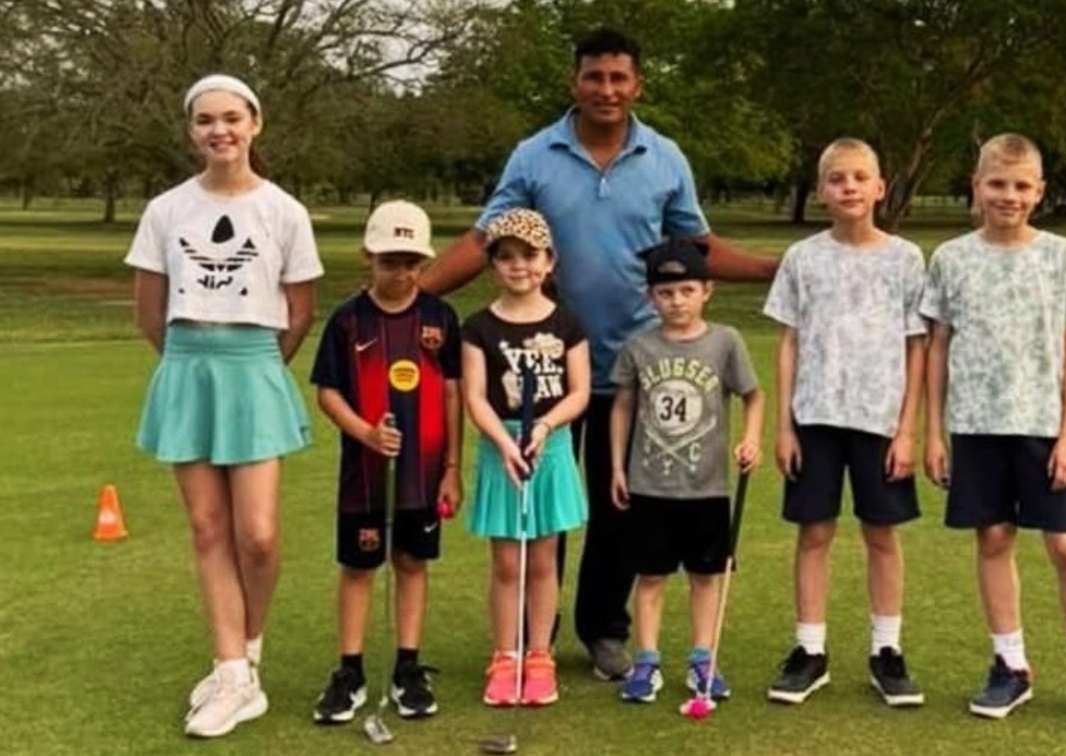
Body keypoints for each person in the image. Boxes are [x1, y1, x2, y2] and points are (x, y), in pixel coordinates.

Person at [419, 27, 777, 680]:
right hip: (544, 367)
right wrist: (412, 297)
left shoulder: (664, 157)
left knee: (619, 507)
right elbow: (484, 241)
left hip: (633, 364)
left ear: (637, 85)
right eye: (594, 76)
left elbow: (696, 249)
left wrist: (773, 270)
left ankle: (604, 630)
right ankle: (533, 638)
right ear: (575, 82)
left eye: (618, 78)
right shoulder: (535, 155)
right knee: (542, 503)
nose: (606, 89)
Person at [124, 74, 323, 738]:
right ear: (192, 131)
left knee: (258, 535)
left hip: (255, 368)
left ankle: (248, 653)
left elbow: (300, 311)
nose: (220, 130)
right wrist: (189, 366)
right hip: (187, 368)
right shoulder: (165, 210)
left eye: (232, 118)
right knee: (209, 529)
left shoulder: (285, 211)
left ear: (254, 124)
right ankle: (231, 669)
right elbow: (149, 311)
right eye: (206, 120)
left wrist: (257, 370)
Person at [920, 133, 1066, 727]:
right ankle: (1010, 666)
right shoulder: (951, 258)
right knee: (993, 540)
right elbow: (938, 348)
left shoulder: (1061, 256)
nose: (1008, 196)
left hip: (1043, 427)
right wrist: (933, 433)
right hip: (975, 427)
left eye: (1021, 186)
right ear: (976, 186)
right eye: (997, 184)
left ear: (1039, 191)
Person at [762, 138, 927, 707]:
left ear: (880, 187)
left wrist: (907, 430)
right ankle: (810, 651)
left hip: (880, 420)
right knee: (814, 532)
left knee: (881, 533)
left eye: (860, 177)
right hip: (815, 416)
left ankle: (887, 650)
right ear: (821, 191)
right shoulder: (802, 259)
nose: (849, 187)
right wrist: (783, 426)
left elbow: (917, 346)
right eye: (837, 178)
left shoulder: (905, 258)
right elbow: (789, 342)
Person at [308, 200, 463, 724]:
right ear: (367, 257)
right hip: (365, 476)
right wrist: (366, 434)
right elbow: (328, 392)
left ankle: (407, 668)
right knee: (359, 566)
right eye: (389, 262)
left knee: (412, 563)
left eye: (411, 263)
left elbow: (452, 393)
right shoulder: (348, 320)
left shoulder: (440, 317)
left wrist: (452, 468)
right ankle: (350, 671)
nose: (401, 273)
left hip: (423, 472)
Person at [610, 239, 763, 704]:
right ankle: (646, 662)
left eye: (687, 290)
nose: (677, 301)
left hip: (707, 487)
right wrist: (617, 465)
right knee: (650, 577)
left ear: (707, 290)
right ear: (650, 297)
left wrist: (752, 439)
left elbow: (753, 395)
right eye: (666, 292)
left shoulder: (725, 341)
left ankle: (702, 660)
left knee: (705, 576)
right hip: (649, 485)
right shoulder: (639, 347)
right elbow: (623, 406)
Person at [462, 208, 590, 707]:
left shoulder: (567, 323)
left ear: (549, 261)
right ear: (493, 265)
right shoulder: (478, 327)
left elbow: (579, 392)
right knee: (506, 562)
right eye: (507, 257)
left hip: (549, 447)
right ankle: (505, 656)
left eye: (530, 255)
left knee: (542, 559)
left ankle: (539, 656)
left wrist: (544, 426)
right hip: (502, 449)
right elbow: (475, 398)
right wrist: (504, 440)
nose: (519, 265)